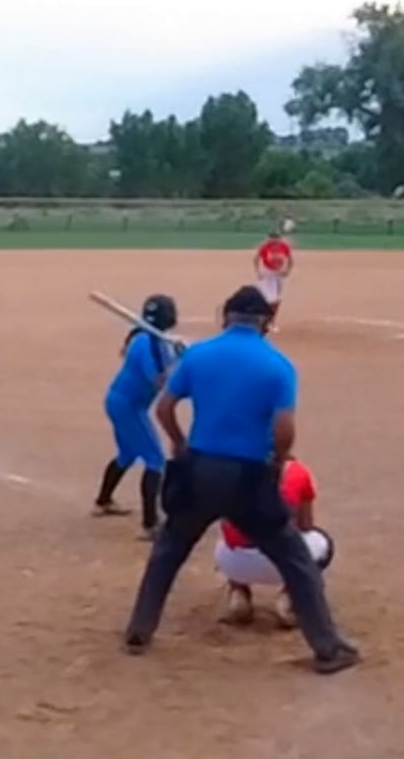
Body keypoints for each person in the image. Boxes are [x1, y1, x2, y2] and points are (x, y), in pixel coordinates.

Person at [122, 285, 359, 675]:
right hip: (248, 475)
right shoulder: (277, 365)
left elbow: (164, 407)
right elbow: (284, 429)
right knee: (295, 560)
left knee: (168, 550)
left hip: (199, 469)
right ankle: (328, 647)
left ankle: (139, 630)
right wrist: (277, 460)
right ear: (265, 322)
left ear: (227, 317)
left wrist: (180, 443)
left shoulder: (199, 355)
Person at [96, 294, 182, 539]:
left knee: (127, 454)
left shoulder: (144, 337)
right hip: (129, 406)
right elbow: (159, 380)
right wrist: (179, 360)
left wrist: (179, 354)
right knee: (155, 459)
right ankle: (150, 524)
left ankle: (103, 501)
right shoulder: (150, 343)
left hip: (120, 401)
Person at [214, 455, 333, 628]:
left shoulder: (226, 471)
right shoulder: (297, 471)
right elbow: (305, 525)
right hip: (282, 561)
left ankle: (238, 592)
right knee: (322, 542)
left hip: (236, 564)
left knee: (227, 541)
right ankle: (290, 598)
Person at [254, 222, 295, 332]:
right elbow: (256, 259)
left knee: (276, 300)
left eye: (276, 238)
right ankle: (266, 321)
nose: (274, 240)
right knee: (271, 300)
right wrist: (259, 272)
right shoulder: (265, 247)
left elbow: (290, 260)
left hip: (278, 275)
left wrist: (287, 270)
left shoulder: (284, 247)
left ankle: (270, 321)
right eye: (272, 238)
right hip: (268, 273)